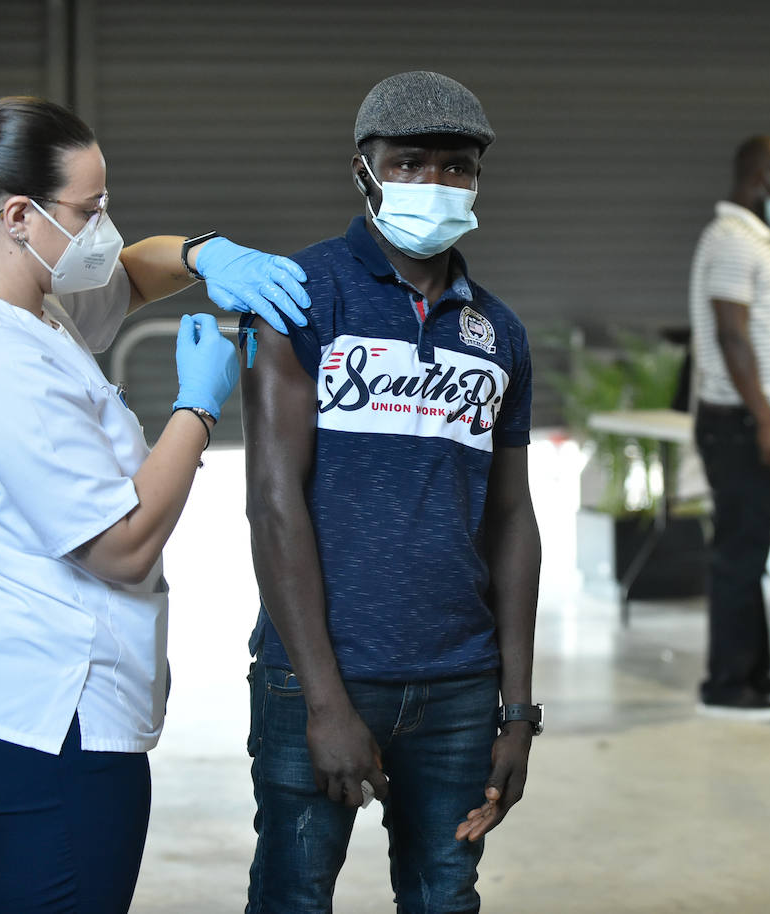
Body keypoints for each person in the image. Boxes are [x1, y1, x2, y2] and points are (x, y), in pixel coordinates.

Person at [0, 95, 310, 912]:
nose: (106, 225)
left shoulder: (28, 303)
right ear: (18, 215)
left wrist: (203, 252)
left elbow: (134, 271)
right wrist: (199, 407)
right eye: (90, 208)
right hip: (47, 718)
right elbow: (123, 545)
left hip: (17, 701)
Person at [240, 71, 541, 913]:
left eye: (457, 167)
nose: (436, 184)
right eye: (410, 162)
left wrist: (518, 708)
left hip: (457, 684)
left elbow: (512, 520)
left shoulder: (499, 332)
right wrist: (327, 702)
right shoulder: (301, 297)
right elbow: (273, 502)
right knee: (293, 897)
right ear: (364, 172)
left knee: (445, 897)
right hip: (320, 677)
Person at [687, 136, 770, 722]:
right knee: (738, 556)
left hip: (748, 419)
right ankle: (728, 684)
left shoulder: (749, 238)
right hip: (741, 422)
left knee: (749, 553)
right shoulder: (734, 241)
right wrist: (766, 419)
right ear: (762, 177)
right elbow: (732, 336)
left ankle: (755, 672)